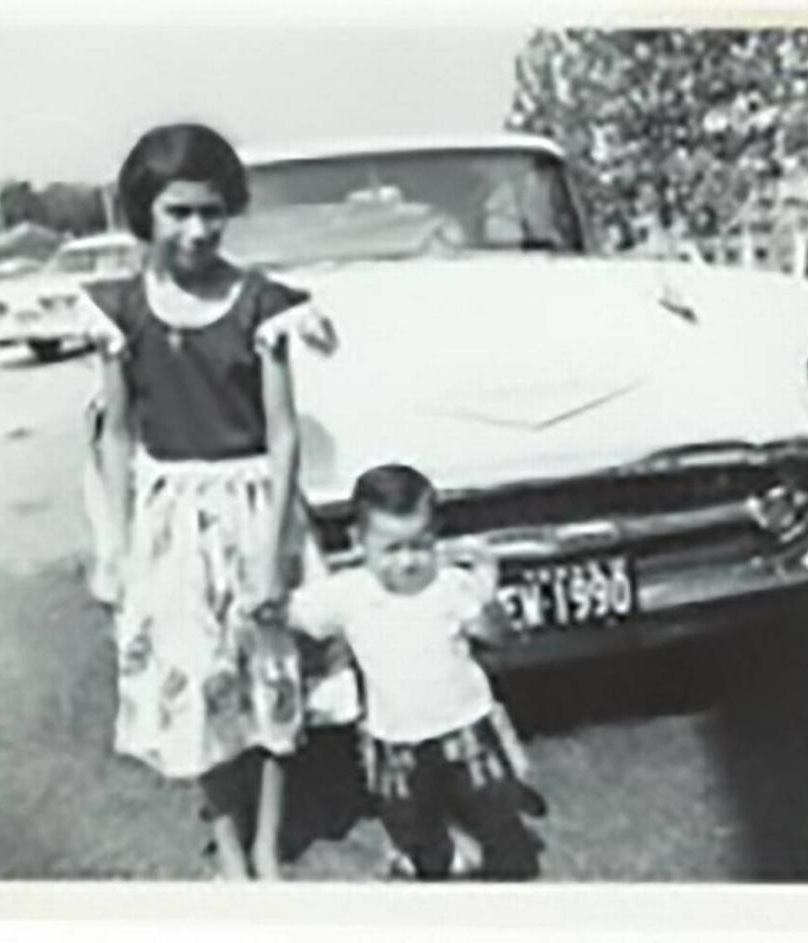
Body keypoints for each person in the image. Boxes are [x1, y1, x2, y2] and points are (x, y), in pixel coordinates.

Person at [82, 123, 355, 880]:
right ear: (147, 212)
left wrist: (271, 558)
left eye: (211, 211)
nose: (197, 229)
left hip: (254, 511)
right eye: (178, 212)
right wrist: (116, 546)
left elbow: (284, 437)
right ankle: (229, 843)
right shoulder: (121, 311)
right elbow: (114, 437)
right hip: (171, 519)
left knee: (271, 676)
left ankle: (268, 840)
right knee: (198, 681)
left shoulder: (261, 303)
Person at [288, 464, 542, 881]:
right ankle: (429, 859)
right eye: (392, 549)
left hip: (464, 724)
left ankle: (499, 867)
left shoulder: (450, 585)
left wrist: (489, 595)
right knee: (410, 821)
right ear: (359, 541)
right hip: (396, 737)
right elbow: (297, 614)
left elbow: (498, 636)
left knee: (492, 805)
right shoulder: (348, 593)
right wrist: (257, 608)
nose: (407, 562)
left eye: (420, 546)